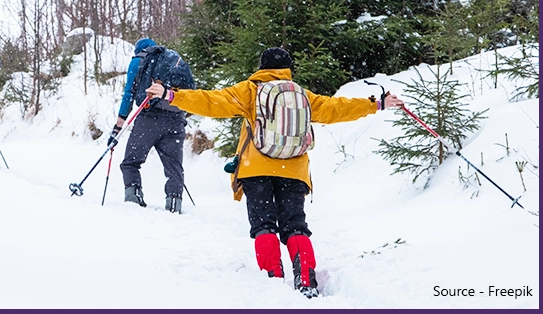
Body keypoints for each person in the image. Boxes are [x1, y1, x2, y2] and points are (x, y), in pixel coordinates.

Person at [145, 46, 404, 298]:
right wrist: (377, 103)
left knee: (264, 226)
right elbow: (337, 108)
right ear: (288, 69)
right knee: (295, 226)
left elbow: (211, 101)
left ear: (262, 67)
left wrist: (171, 95)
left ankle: (274, 281)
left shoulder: (250, 90)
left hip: (255, 169)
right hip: (293, 170)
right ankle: (306, 281)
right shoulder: (302, 94)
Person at [108, 38, 190, 214]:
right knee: (174, 168)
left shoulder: (139, 61)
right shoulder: (173, 60)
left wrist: (117, 127)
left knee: (130, 162)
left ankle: (134, 201)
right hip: (176, 119)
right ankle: (174, 204)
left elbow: (129, 94)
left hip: (149, 119)